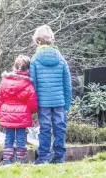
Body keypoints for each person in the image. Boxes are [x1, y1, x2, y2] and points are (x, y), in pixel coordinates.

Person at [30, 25, 72, 164]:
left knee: (45, 129)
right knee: (60, 129)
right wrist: (67, 103)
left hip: (43, 103)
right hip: (59, 102)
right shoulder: (61, 59)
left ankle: (43, 157)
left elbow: (33, 85)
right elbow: (67, 83)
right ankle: (59, 156)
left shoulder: (35, 60)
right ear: (52, 40)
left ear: (37, 40)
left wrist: (34, 105)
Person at [0, 55, 38, 166]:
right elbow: (32, 101)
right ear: (28, 68)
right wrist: (32, 111)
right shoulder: (28, 83)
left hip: (7, 113)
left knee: (8, 137)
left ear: (14, 66)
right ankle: (21, 160)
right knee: (20, 138)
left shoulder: (5, 81)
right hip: (22, 115)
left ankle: (7, 161)